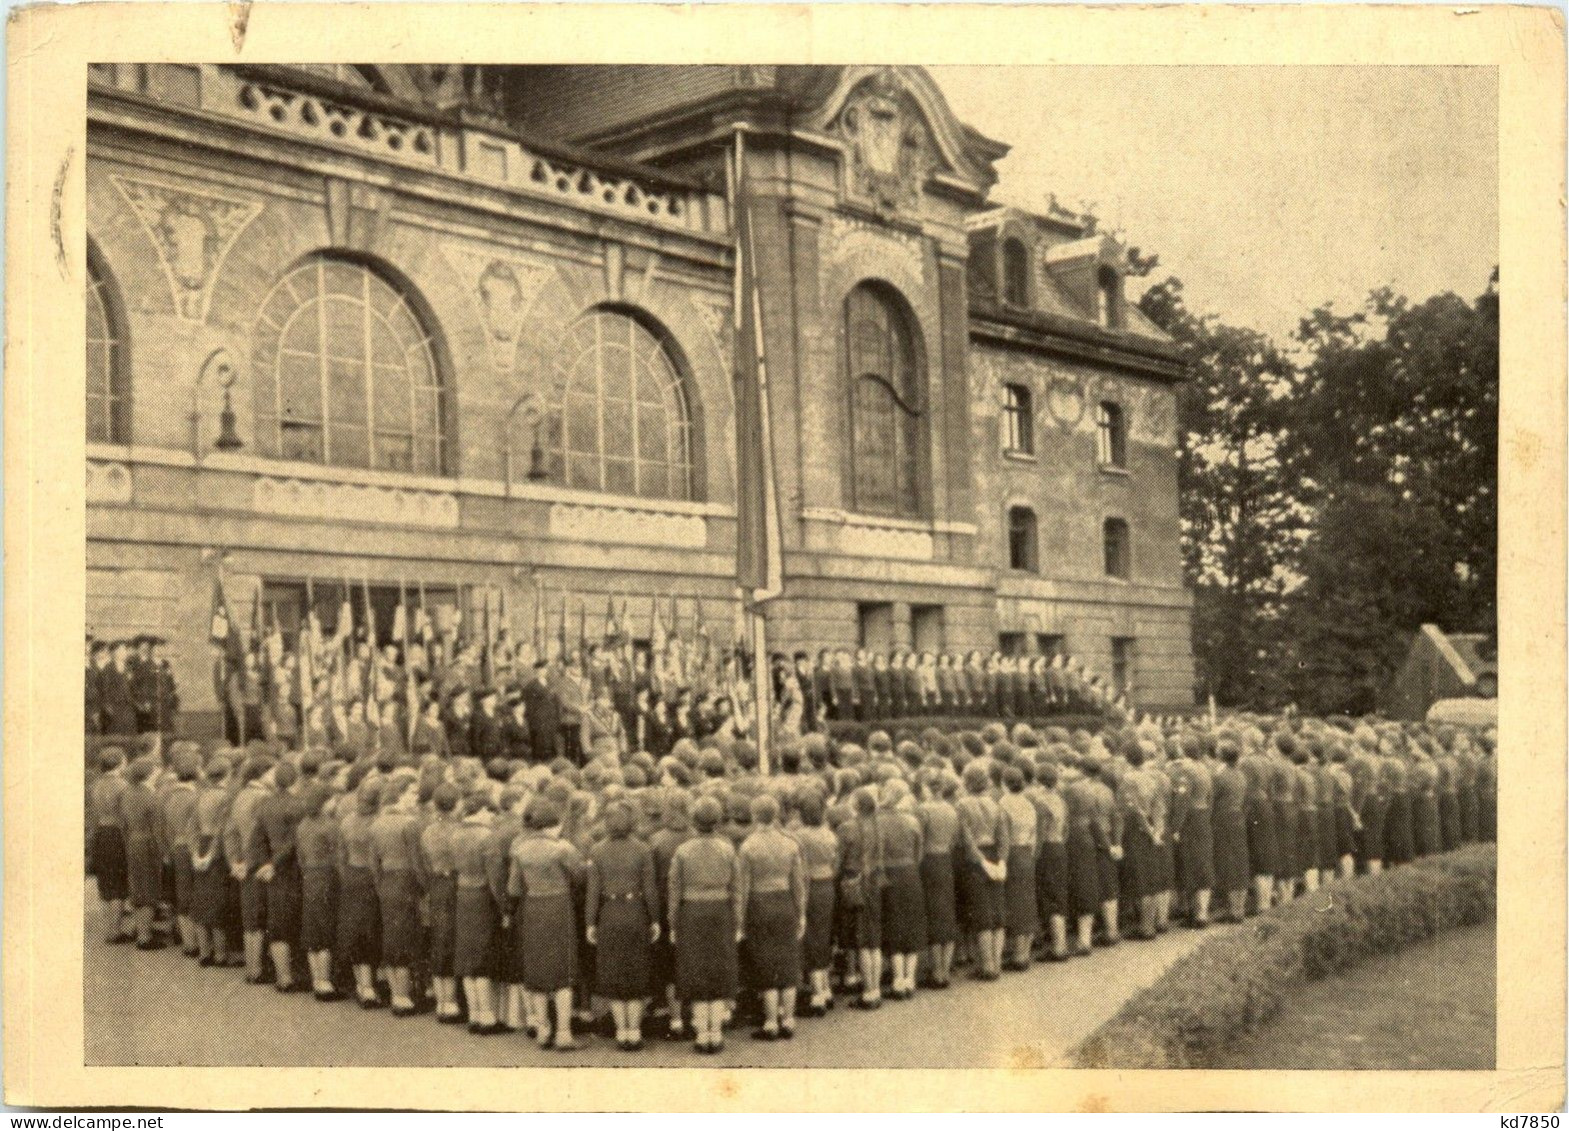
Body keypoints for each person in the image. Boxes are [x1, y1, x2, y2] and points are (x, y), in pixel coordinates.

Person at [507, 796, 586, 1051]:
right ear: (554, 823)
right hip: (559, 907)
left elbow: (514, 888)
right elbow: (580, 877)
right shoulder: (563, 848)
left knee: (537, 969)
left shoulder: (519, 850)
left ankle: (543, 1028)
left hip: (533, 908)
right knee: (562, 970)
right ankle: (563, 1032)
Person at [668, 795, 742, 1054]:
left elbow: (674, 890)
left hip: (691, 912)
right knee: (719, 968)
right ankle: (716, 1030)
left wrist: (673, 923)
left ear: (694, 821)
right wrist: (738, 920)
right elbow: (736, 888)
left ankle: (701, 1032)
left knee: (697, 969)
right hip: (721, 911)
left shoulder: (683, 851)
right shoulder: (727, 848)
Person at [585, 799, 660, 1051]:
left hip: (608, 913)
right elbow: (649, 889)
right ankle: (635, 1030)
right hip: (636, 911)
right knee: (636, 970)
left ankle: (621, 1030)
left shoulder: (596, 851)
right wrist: (655, 918)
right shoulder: (643, 849)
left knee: (614, 971)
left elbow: (593, 891)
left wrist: (590, 921)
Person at [736, 793, 806, 1039]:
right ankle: (789, 1019)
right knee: (787, 961)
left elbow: (742, 888)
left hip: (759, 905)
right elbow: (798, 884)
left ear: (755, 816)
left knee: (765, 963)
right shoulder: (790, 843)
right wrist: (802, 913)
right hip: (785, 902)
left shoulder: (748, 846)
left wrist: (739, 921)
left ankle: (770, 1022)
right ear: (776, 815)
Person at [368, 775, 426, 1015]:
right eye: (411, 793)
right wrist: (424, 887)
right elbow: (417, 862)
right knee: (405, 937)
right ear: (400, 795)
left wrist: (381, 885)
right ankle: (403, 997)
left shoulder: (377, 824)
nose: (415, 797)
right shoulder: (409, 824)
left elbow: (374, 863)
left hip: (387, 881)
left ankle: (396, 993)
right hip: (406, 881)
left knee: (392, 937)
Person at [250, 759, 306, 992]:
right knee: (296, 920)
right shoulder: (298, 805)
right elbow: (295, 841)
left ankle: (283, 976)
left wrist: (265, 863)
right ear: (295, 780)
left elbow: (257, 839)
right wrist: (275, 863)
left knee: (278, 921)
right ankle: (296, 974)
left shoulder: (265, 804)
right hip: (292, 869)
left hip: (273, 871)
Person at [955, 762, 1008, 979]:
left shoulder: (962, 805)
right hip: (995, 854)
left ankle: (987, 965)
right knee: (997, 910)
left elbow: (966, 839)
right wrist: (1002, 862)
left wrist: (982, 862)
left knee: (982, 913)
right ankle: (996, 962)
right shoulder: (996, 804)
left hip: (976, 861)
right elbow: (1004, 837)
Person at [875, 779, 928, 998]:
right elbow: (919, 853)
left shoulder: (878, 821)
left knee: (893, 923)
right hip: (910, 873)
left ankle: (897, 979)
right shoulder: (912, 820)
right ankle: (909, 978)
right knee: (912, 923)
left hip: (888, 873)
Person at [791, 790, 839, 1015]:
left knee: (809, 939)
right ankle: (826, 987)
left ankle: (817, 993)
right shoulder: (829, 834)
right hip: (826, 885)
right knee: (823, 935)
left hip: (808, 886)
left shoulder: (799, 836)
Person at [336, 781, 383, 1008]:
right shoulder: (376, 823)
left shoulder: (346, 822)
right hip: (370, 878)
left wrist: (345, 877)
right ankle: (369, 986)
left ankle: (361, 984)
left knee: (354, 931)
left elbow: (341, 855)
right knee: (370, 931)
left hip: (352, 877)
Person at [188, 754, 238, 966]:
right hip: (217, 850)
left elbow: (192, 828)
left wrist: (195, 854)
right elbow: (222, 830)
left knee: (201, 900)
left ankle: (204, 952)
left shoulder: (201, 795)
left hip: (200, 844)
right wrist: (211, 855)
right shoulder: (226, 797)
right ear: (228, 774)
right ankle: (219, 954)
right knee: (218, 903)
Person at [420, 782, 463, 1023]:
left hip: (436, 884)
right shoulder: (458, 831)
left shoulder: (428, 831)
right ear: (456, 805)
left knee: (439, 938)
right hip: (454, 885)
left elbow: (426, 862)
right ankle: (453, 1001)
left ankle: (442, 1000)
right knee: (453, 938)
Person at [295, 782, 341, 1000]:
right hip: (325, 876)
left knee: (312, 929)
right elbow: (337, 857)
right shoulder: (330, 826)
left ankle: (317, 980)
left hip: (309, 877)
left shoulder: (303, 825)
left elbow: (300, 858)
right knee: (325, 929)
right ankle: (325, 982)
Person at [158, 743, 201, 956]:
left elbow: (163, 827)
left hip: (175, 847)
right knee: (195, 894)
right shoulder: (195, 797)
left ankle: (187, 940)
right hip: (191, 849)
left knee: (181, 893)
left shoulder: (168, 796)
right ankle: (197, 943)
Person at [89, 746, 132, 944]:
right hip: (116, 833)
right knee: (118, 884)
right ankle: (115, 931)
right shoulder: (123, 785)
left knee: (106, 884)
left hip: (100, 833)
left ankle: (109, 928)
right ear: (119, 762)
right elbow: (126, 815)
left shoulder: (96, 785)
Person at [121, 756, 165, 949]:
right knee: (148, 888)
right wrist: (164, 852)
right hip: (147, 844)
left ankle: (141, 929)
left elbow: (123, 824)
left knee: (137, 887)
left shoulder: (128, 793)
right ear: (149, 774)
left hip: (132, 841)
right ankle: (145, 937)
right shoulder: (151, 797)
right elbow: (158, 830)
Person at [1029, 759, 1071, 960]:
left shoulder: (1040, 803)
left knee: (1050, 895)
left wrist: (1034, 856)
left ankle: (1058, 947)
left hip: (1047, 849)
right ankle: (1059, 943)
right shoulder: (1060, 800)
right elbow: (1066, 829)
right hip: (1059, 847)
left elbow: (1040, 833)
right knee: (1058, 894)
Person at [998, 764, 1039, 968]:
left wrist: (1002, 861)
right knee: (1027, 902)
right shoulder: (1028, 803)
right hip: (1026, 853)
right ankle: (1024, 952)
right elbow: (1033, 835)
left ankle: (1016, 954)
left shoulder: (1003, 803)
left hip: (1012, 854)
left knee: (1013, 903)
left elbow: (1004, 837)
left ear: (1004, 783)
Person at [1210, 737, 1251, 923]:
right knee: (1239, 861)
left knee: (1228, 863)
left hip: (1223, 820)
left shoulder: (1220, 776)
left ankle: (1233, 910)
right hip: (1238, 819)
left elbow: (1212, 801)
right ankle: (1239, 908)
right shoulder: (1240, 775)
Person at [99, 639, 138, 737]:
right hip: (115, 710)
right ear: (114, 652)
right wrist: (109, 709)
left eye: (125, 650)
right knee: (116, 737)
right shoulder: (108, 669)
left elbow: (133, 689)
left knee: (130, 736)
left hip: (128, 709)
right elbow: (104, 690)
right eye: (122, 650)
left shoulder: (129, 668)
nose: (125, 652)